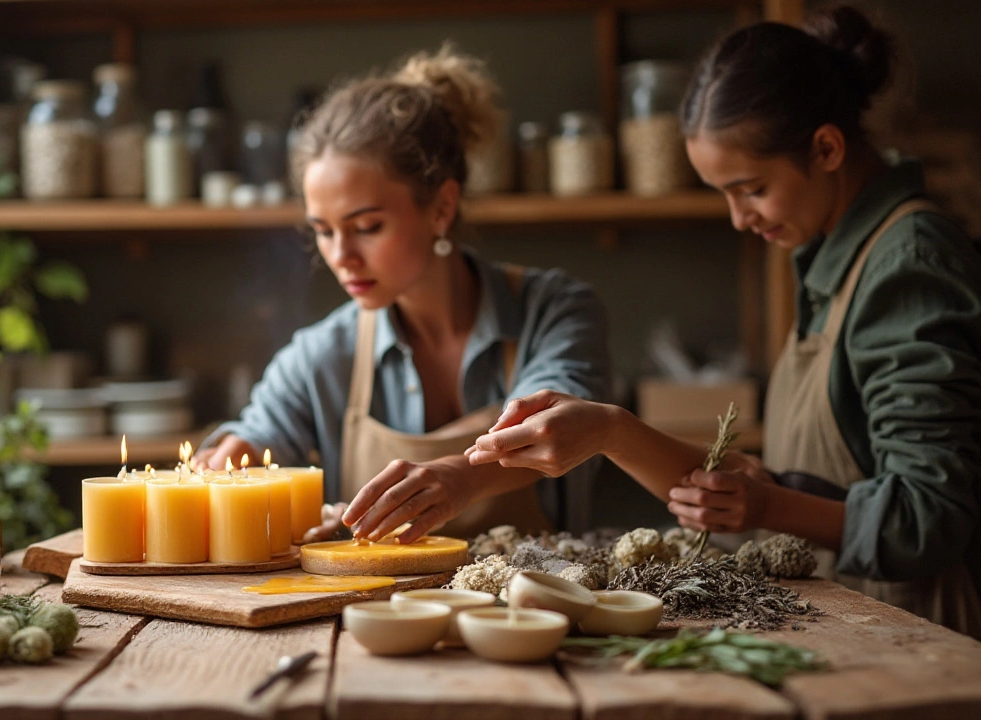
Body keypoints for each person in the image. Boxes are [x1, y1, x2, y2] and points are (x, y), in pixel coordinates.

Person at [466, 6, 981, 637]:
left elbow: (928, 518)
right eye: (725, 195)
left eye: (752, 188)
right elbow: (831, 487)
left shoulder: (908, 264)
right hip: (856, 615)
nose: (740, 218)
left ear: (825, 148)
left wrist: (765, 503)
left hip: (924, 632)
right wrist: (607, 429)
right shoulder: (828, 252)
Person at [196, 46, 610, 543]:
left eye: (366, 226)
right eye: (323, 231)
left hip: (538, 613)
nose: (340, 255)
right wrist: (234, 454)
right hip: (377, 621)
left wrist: (461, 477)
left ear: (441, 208)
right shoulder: (322, 353)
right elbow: (262, 432)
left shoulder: (555, 312)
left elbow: (561, 427)